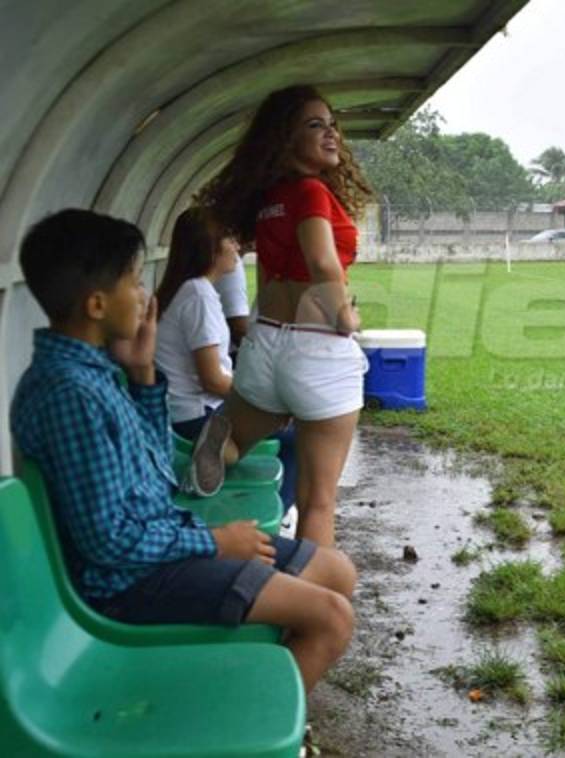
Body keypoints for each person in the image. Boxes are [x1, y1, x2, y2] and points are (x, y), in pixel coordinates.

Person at [11, 208, 357, 693]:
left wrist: (143, 376)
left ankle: (245, 689)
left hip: (162, 551)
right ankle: (251, 732)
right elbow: (108, 543)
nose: (144, 295)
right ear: (95, 304)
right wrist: (214, 543)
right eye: (133, 282)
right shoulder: (68, 396)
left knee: (336, 572)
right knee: (330, 618)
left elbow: (157, 479)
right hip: (130, 584)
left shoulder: (96, 374)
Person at [197, 84, 373, 547]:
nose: (331, 133)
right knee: (317, 500)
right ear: (284, 139)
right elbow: (322, 263)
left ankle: (224, 437)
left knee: (237, 440)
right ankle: (311, 614)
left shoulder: (270, 198)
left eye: (332, 124)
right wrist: (344, 317)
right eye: (314, 125)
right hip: (317, 350)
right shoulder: (312, 191)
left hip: (267, 344)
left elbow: (273, 274)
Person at [154, 207, 298, 510]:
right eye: (229, 240)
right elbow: (212, 378)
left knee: (282, 414)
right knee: (298, 435)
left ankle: (222, 452)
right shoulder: (198, 295)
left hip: (185, 409)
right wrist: (262, 399)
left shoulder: (190, 289)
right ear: (210, 248)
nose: (237, 247)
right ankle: (275, 512)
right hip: (197, 414)